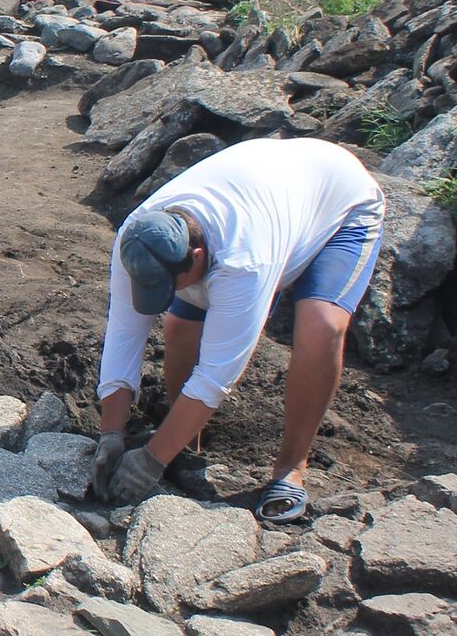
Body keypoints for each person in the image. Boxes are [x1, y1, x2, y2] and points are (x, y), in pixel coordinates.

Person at [94, 137, 386, 523]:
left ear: (196, 257)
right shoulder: (136, 234)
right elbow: (124, 333)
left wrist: (150, 460)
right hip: (275, 194)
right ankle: (186, 447)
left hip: (340, 205)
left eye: (169, 285)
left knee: (321, 327)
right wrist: (110, 433)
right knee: (180, 327)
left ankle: (290, 468)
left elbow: (216, 376)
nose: (163, 295)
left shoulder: (245, 262)